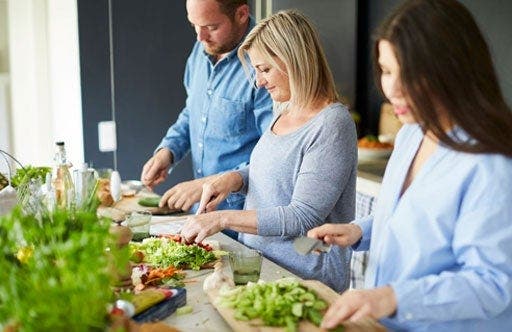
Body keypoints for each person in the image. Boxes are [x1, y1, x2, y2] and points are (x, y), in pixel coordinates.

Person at [308, 0, 512, 330]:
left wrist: (390, 298)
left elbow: (492, 282)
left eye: (411, 74)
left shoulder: (491, 163)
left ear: (454, 70)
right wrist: (361, 230)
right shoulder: (411, 135)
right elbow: (414, 217)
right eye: (387, 71)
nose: (392, 90)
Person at [180, 9, 358, 292]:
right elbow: (276, 173)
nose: (259, 82)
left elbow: (302, 216)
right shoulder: (284, 110)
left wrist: (221, 218)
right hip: (262, 268)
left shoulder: (332, 123)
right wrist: (235, 179)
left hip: (304, 279)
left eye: (264, 69)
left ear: (294, 60)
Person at [140, 0, 273, 216]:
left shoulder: (266, 65)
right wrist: (168, 151)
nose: (199, 37)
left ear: (241, 14)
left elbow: (274, 156)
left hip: (244, 218)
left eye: (211, 27)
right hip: (203, 214)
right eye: (194, 25)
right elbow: (193, 110)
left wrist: (210, 183)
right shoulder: (203, 47)